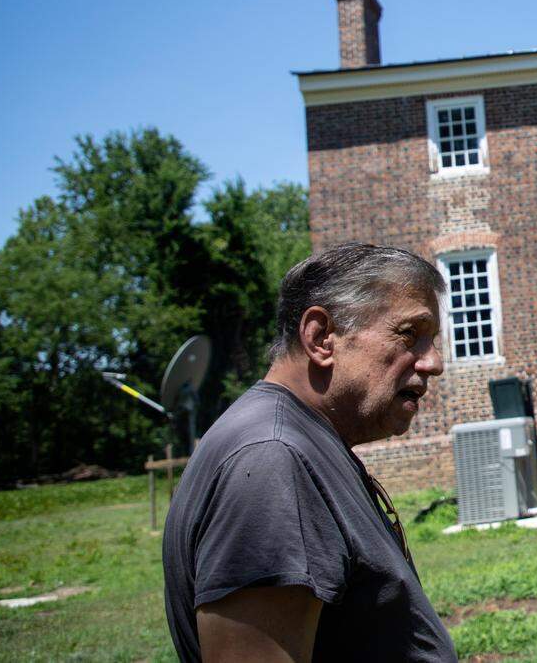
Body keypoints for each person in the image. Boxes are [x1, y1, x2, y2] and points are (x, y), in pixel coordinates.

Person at [163, 242, 457, 662]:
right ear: (321, 337)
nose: (433, 363)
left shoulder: (295, 442)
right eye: (410, 334)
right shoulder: (272, 460)